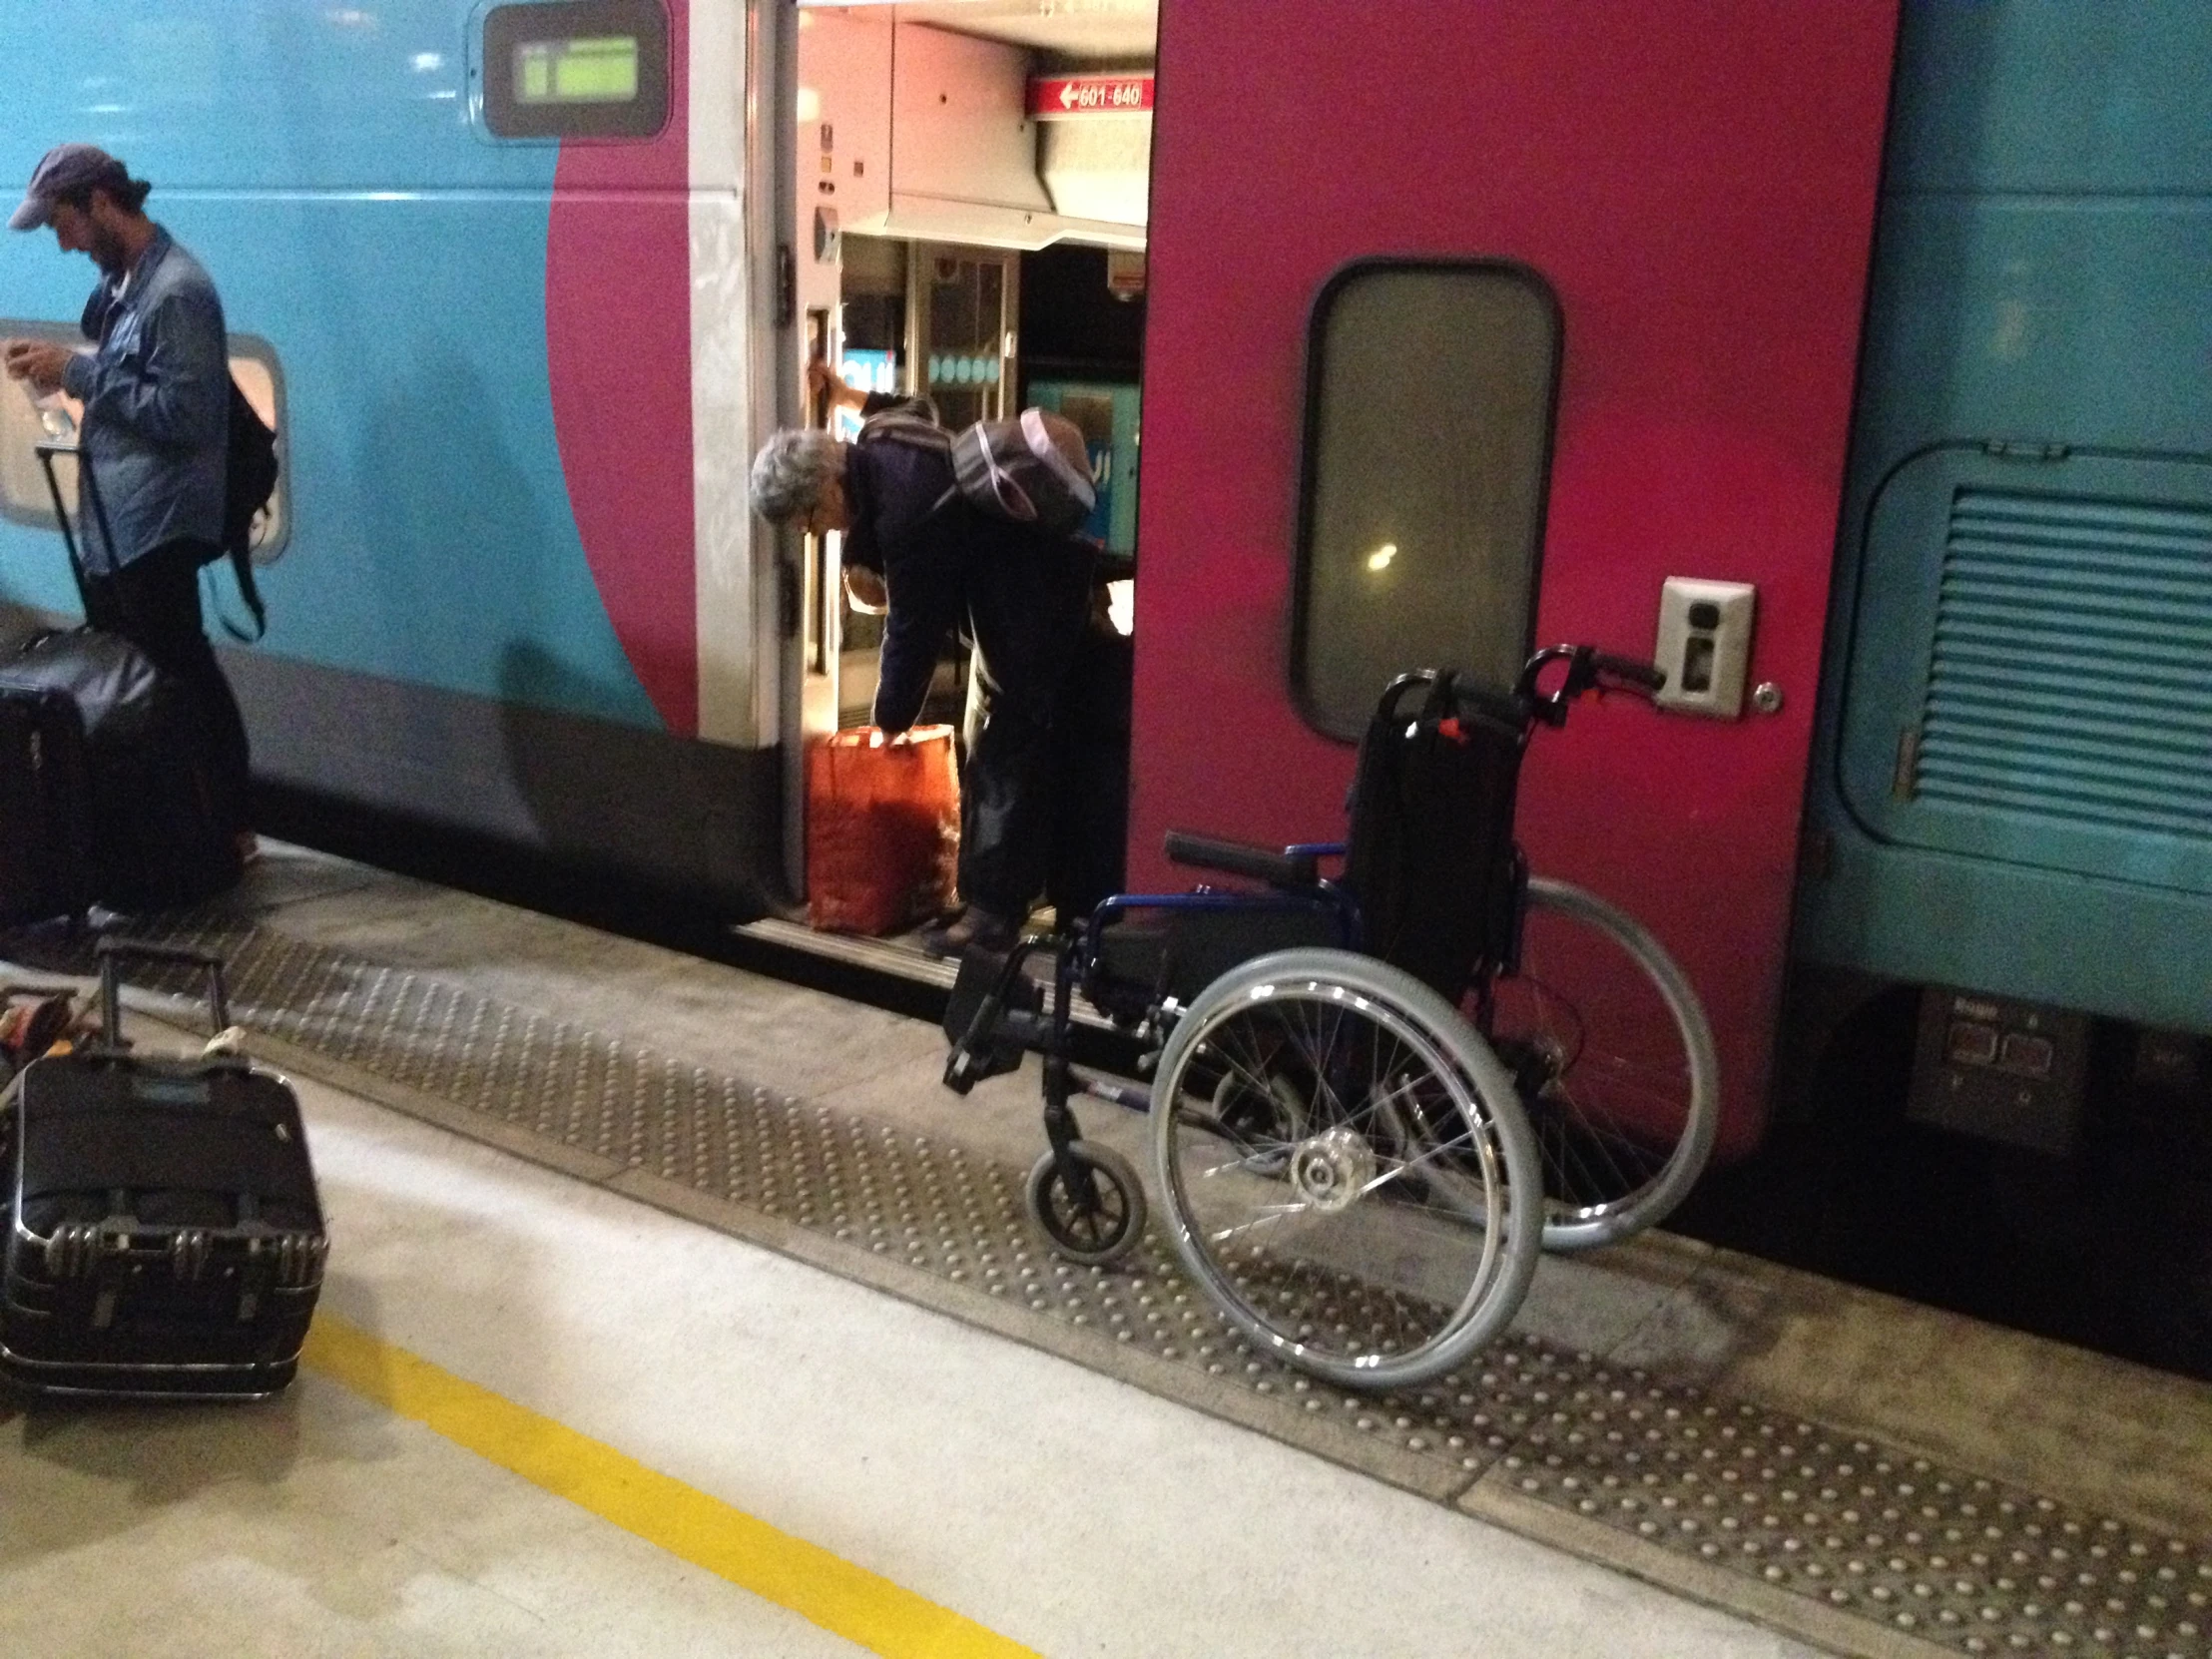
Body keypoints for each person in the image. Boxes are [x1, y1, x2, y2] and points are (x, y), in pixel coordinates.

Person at [751, 363, 1095, 953]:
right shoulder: (880, 440)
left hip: (1031, 612)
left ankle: (992, 915)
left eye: (808, 521)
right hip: (1023, 603)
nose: (814, 534)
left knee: (1003, 756)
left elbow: (912, 631)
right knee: (991, 741)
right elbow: (916, 406)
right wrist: (845, 395)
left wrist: (886, 723)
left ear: (827, 489)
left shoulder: (906, 512)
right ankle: (992, 893)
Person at [2, 143, 255, 862]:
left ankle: (227, 825)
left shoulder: (177, 291)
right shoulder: (129, 283)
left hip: (159, 522)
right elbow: (127, 376)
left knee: (177, 673)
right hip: (121, 522)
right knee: (142, 680)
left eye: (64, 223)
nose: (62, 242)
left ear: (101, 203)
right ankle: (168, 822)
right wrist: (70, 368)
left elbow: (184, 415)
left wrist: (77, 375)